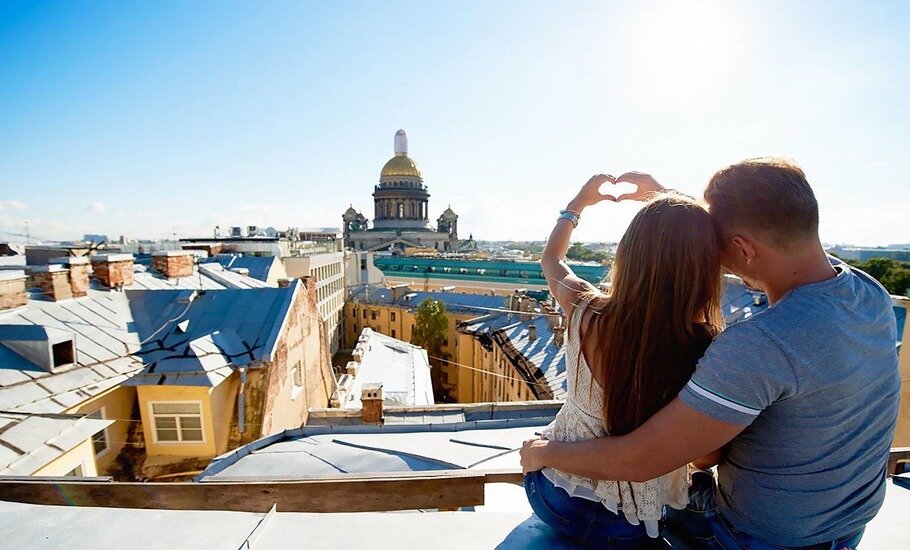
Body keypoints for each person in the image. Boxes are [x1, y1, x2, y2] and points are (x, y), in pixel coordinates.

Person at [521, 159, 900, 549]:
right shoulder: (866, 292)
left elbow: (640, 461)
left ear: (742, 248)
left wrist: (543, 451)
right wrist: (669, 200)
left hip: (759, 537)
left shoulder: (757, 345)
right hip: (848, 527)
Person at [525, 174, 725, 548]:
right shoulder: (706, 345)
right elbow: (705, 458)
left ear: (627, 253)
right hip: (635, 523)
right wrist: (666, 197)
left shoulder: (585, 308)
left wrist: (576, 206)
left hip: (554, 496)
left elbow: (551, 258)